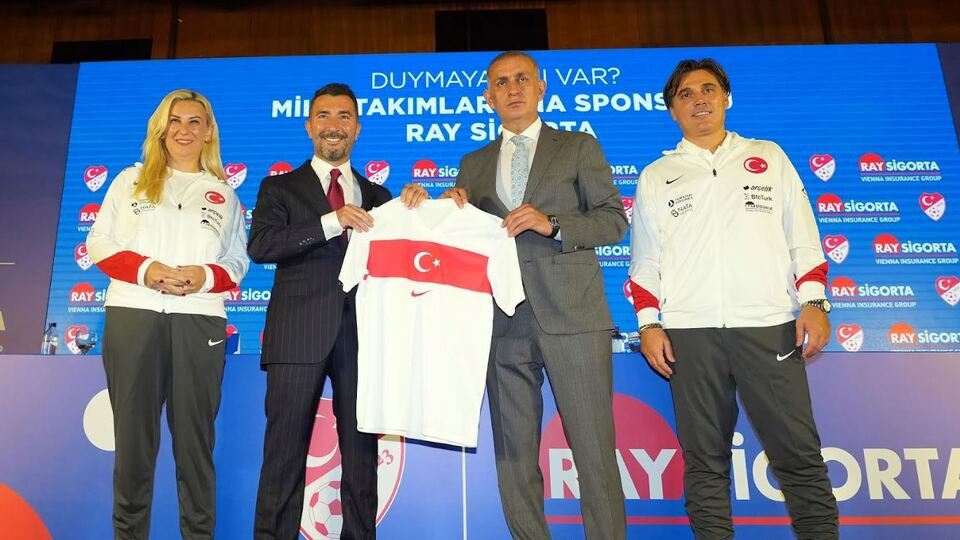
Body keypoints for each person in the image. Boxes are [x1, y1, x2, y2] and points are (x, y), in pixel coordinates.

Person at [628, 58, 839, 539]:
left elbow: (804, 238)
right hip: (689, 334)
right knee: (705, 462)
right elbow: (644, 261)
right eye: (685, 94)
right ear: (673, 111)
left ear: (726, 98)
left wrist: (814, 301)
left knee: (799, 456)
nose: (698, 99)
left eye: (708, 89)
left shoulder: (769, 156)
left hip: (769, 327)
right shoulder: (657, 175)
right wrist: (649, 324)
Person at [443, 51, 627, 539]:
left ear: (541, 88)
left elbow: (613, 220)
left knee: (594, 453)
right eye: (501, 82)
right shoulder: (473, 164)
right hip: (502, 321)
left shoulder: (578, 146)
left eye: (522, 78)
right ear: (489, 97)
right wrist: (445, 209)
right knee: (514, 457)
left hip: (574, 316)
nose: (513, 88)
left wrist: (555, 224)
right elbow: (461, 239)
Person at [249, 82, 425, 540]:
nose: (333, 125)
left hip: (364, 340)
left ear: (357, 128)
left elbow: (410, 254)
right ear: (309, 126)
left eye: (344, 116)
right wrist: (333, 221)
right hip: (297, 335)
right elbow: (262, 246)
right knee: (283, 456)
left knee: (362, 460)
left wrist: (419, 209)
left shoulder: (380, 196)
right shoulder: (278, 187)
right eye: (324, 116)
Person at [86, 88, 249, 539]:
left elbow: (238, 262)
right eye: (175, 121)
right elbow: (98, 243)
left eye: (195, 121)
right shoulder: (130, 180)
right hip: (133, 314)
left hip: (200, 320)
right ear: (161, 129)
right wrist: (147, 270)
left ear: (209, 132)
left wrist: (204, 276)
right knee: (133, 446)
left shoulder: (224, 194)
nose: (184, 130)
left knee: (195, 445)